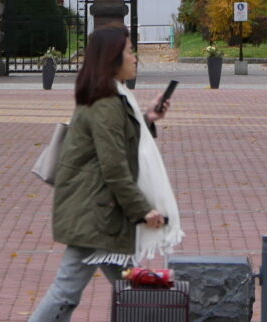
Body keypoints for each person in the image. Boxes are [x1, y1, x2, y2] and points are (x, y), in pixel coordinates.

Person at [25, 26, 180, 322]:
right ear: (112, 58)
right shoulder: (107, 103)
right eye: (130, 51)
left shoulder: (111, 97)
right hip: (96, 214)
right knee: (68, 291)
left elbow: (118, 144)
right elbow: (114, 166)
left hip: (98, 211)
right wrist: (143, 210)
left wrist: (147, 119)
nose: (135, 58)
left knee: (130, 287)